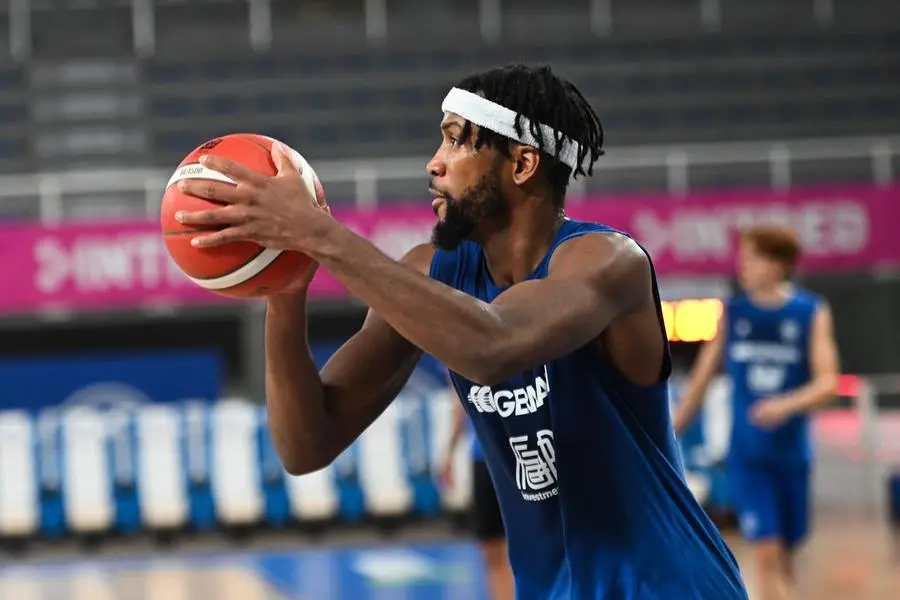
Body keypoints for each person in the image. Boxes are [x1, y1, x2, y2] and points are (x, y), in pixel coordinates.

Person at [175, 63, 748, 599]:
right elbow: (306, 444)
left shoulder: (607, 261)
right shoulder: (433, 271)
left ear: (522, 165)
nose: (433, 162)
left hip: (667, 584)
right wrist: (286, 288)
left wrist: (320, 234)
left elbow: (492, 346)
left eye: (454, 139)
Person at [672, 224, 840, 600]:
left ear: (778, 263)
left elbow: (827, 383)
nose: (742, 266)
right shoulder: (733, 313)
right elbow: (698, 382)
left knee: (785, 559)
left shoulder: (809, 311)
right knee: (765, 555)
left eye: (751, 258)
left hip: (793, 455)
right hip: (748, 456)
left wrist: (785, 404)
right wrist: (668, 437)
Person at [441, 391, 514, 600]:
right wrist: (449, 454)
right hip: (490, 457)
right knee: (492, 547)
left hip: (504, 455)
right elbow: (460, 405)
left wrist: (448, 454)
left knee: (498, 548)